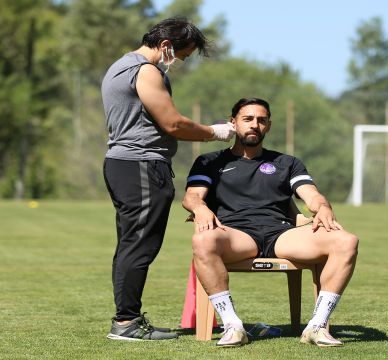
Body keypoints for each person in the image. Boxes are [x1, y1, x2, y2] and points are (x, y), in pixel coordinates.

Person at [182, 97, 359, 347]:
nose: (255, 125)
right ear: (233, 123)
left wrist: (323, 207)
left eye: (261, 120)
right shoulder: (210, 162)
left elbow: (311, 194)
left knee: (346, 241)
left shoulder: (287, 163)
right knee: (202, 240)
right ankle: (233, 326)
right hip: (236, 235)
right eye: (248, 119)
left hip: (283, 235)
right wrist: (200, 208)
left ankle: (316, 326)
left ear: (268, 126)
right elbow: (192, 196)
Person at [101, 17, 236, 341]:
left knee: (132, 243)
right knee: (139, 245)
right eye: (183, 56)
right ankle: (126, 322)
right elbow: (173, 124)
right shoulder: (146, 71)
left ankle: (126, 318)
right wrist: (215, 132)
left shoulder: (119, 65)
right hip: (141, 166)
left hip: (125, 165)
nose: (180, 63)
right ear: (165, 46)